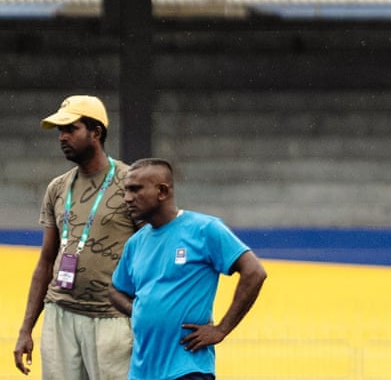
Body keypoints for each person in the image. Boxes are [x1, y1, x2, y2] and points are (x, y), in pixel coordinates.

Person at [109, 158, 267, 380]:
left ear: (162, 191)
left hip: (188, 369)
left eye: (135, 190)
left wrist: (221, 329)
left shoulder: (205, 229)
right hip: (141, 372)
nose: (127, 198)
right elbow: (115, 290)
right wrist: (139, 311)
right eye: (126, 191)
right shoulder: (135, 243)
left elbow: (255, 272)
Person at [13, 95, 136, 379]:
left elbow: (153, 255)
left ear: (96, 132)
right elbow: (45, 262)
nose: (62, 137)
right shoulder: (57, 188)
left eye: (71, 129)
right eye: (60, 130)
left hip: (112, 319)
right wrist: (25, 329)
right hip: (60, 315)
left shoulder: (132, 183)